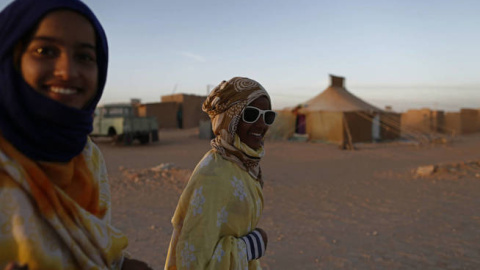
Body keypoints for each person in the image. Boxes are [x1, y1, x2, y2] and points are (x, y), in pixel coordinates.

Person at [0, 0, 150, 269]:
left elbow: (91, 244)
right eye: (45, 50)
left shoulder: (87, 156)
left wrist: (120, 265)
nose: (67, 71)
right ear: (10, 54)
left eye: (84, 56)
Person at [165, 77, 277, 269]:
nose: (261, 125)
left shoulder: (243, 165)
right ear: (230, 119)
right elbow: (193, 257)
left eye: (267, 116)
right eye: (251, 114)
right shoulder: (214, 175)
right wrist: (250, 246)